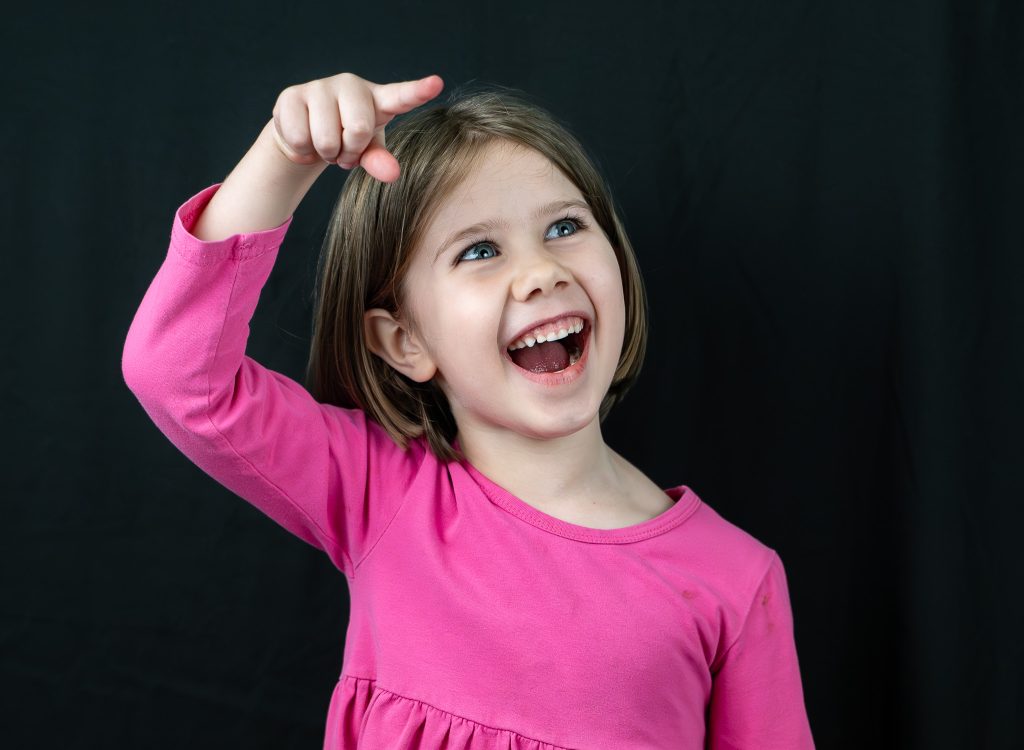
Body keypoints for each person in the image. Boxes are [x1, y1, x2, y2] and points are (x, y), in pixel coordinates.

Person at [122, 71, 815, 749]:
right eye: (480, 250)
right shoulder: (377, 490)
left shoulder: (735, 577)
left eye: (565, 226)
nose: (541, 271)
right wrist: (283, 156)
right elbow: (180, 376)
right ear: (405, 341)